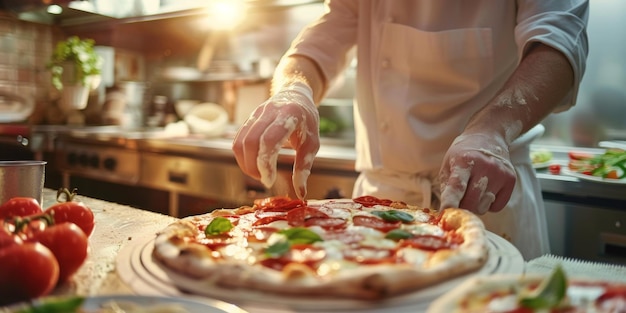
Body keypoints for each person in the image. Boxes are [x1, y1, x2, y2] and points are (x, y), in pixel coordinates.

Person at [232, 0, 589, 260]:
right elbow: (321, 40)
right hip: (373, 209)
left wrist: (490, 130)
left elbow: (558, 42)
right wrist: (294, 90)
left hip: (487, 197)